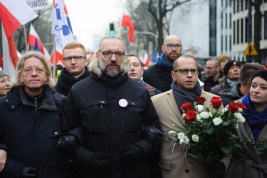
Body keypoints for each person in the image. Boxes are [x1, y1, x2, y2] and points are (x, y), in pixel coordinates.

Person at [60, 35, 160, 178]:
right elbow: (67, 135)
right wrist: (87, 158)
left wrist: (140, 150)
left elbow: (154, 132)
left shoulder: (139, 91)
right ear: (97, 55)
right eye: (107, 53)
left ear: (124, 57)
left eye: (118, 53)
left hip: (133, 172)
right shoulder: (79, 91)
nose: (113, 58)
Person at [152, 54, 228, 178]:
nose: (189, 75)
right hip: (172, 172)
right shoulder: (157, 102)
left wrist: (222, 164)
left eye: (193, 71)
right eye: (183, 71)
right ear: (173, 75)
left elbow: (225, 137)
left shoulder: (214, 101)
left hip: (205, 171)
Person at [0, 51, 69, 177]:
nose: (34, 74)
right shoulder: (3, 106)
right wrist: (17, 171)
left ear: (47, 74)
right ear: (20, 76)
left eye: (39, 70)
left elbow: (76, 138)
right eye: (28, 70)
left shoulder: (62, 104)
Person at [225, 70, 267, 178]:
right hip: (237, 171)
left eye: (263, 87)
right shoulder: (233, 109)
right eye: (253, 86)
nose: (256, 91)